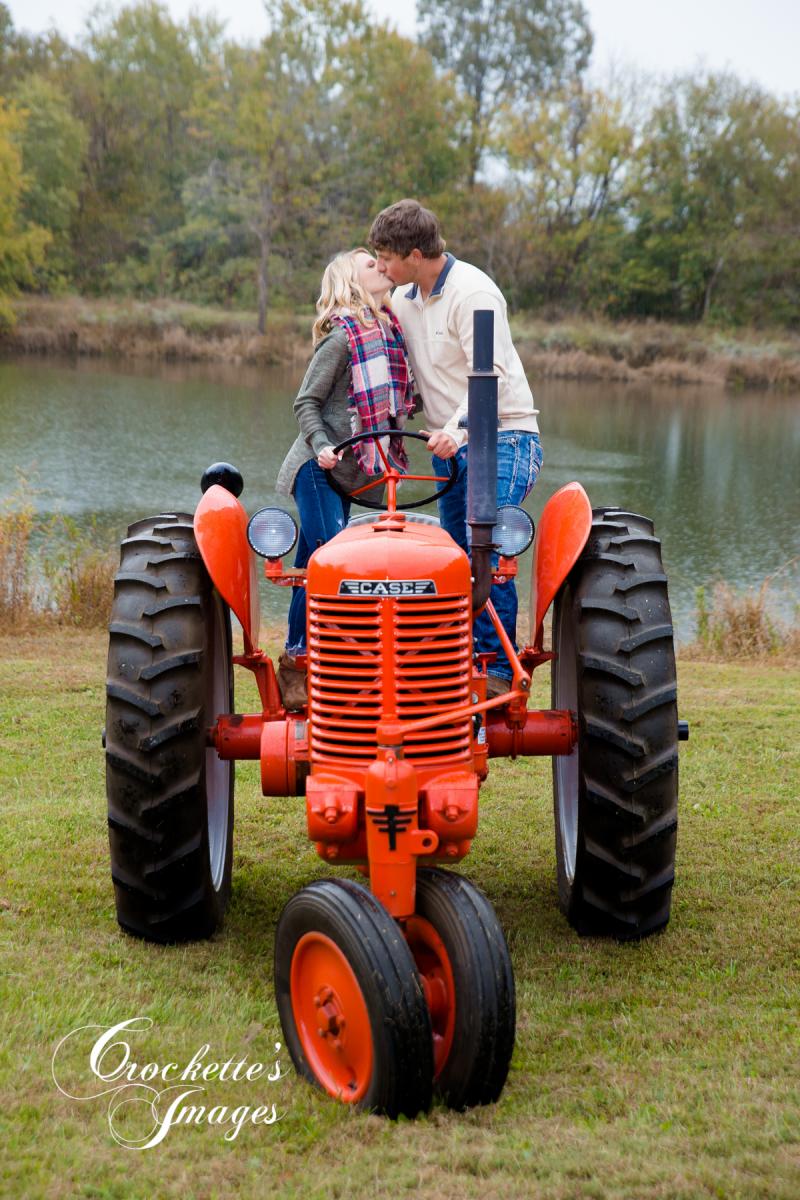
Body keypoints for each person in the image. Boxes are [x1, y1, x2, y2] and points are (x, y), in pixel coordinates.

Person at [369, 198, 542, 698]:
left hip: (504, 437)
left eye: (386, 256)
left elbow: (491, 377)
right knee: (451, 562)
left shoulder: (474, 293)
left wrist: (457, 430)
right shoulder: (405, 299)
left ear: (415, 253)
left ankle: (495, 673)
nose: (381, 265)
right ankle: (451, 667)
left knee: (485, 550)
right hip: (450, 445)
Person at [275, 247, 417, 708]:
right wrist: (321, 445)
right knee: (324, 557)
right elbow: (305, 403)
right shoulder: (342, 339)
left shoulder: (391, 333)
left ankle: (342, 659)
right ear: (353, 283)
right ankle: (298, 662)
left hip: (356, 473)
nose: (382, 267)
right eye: (371, 265)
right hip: (319, 467)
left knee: (339, 557)